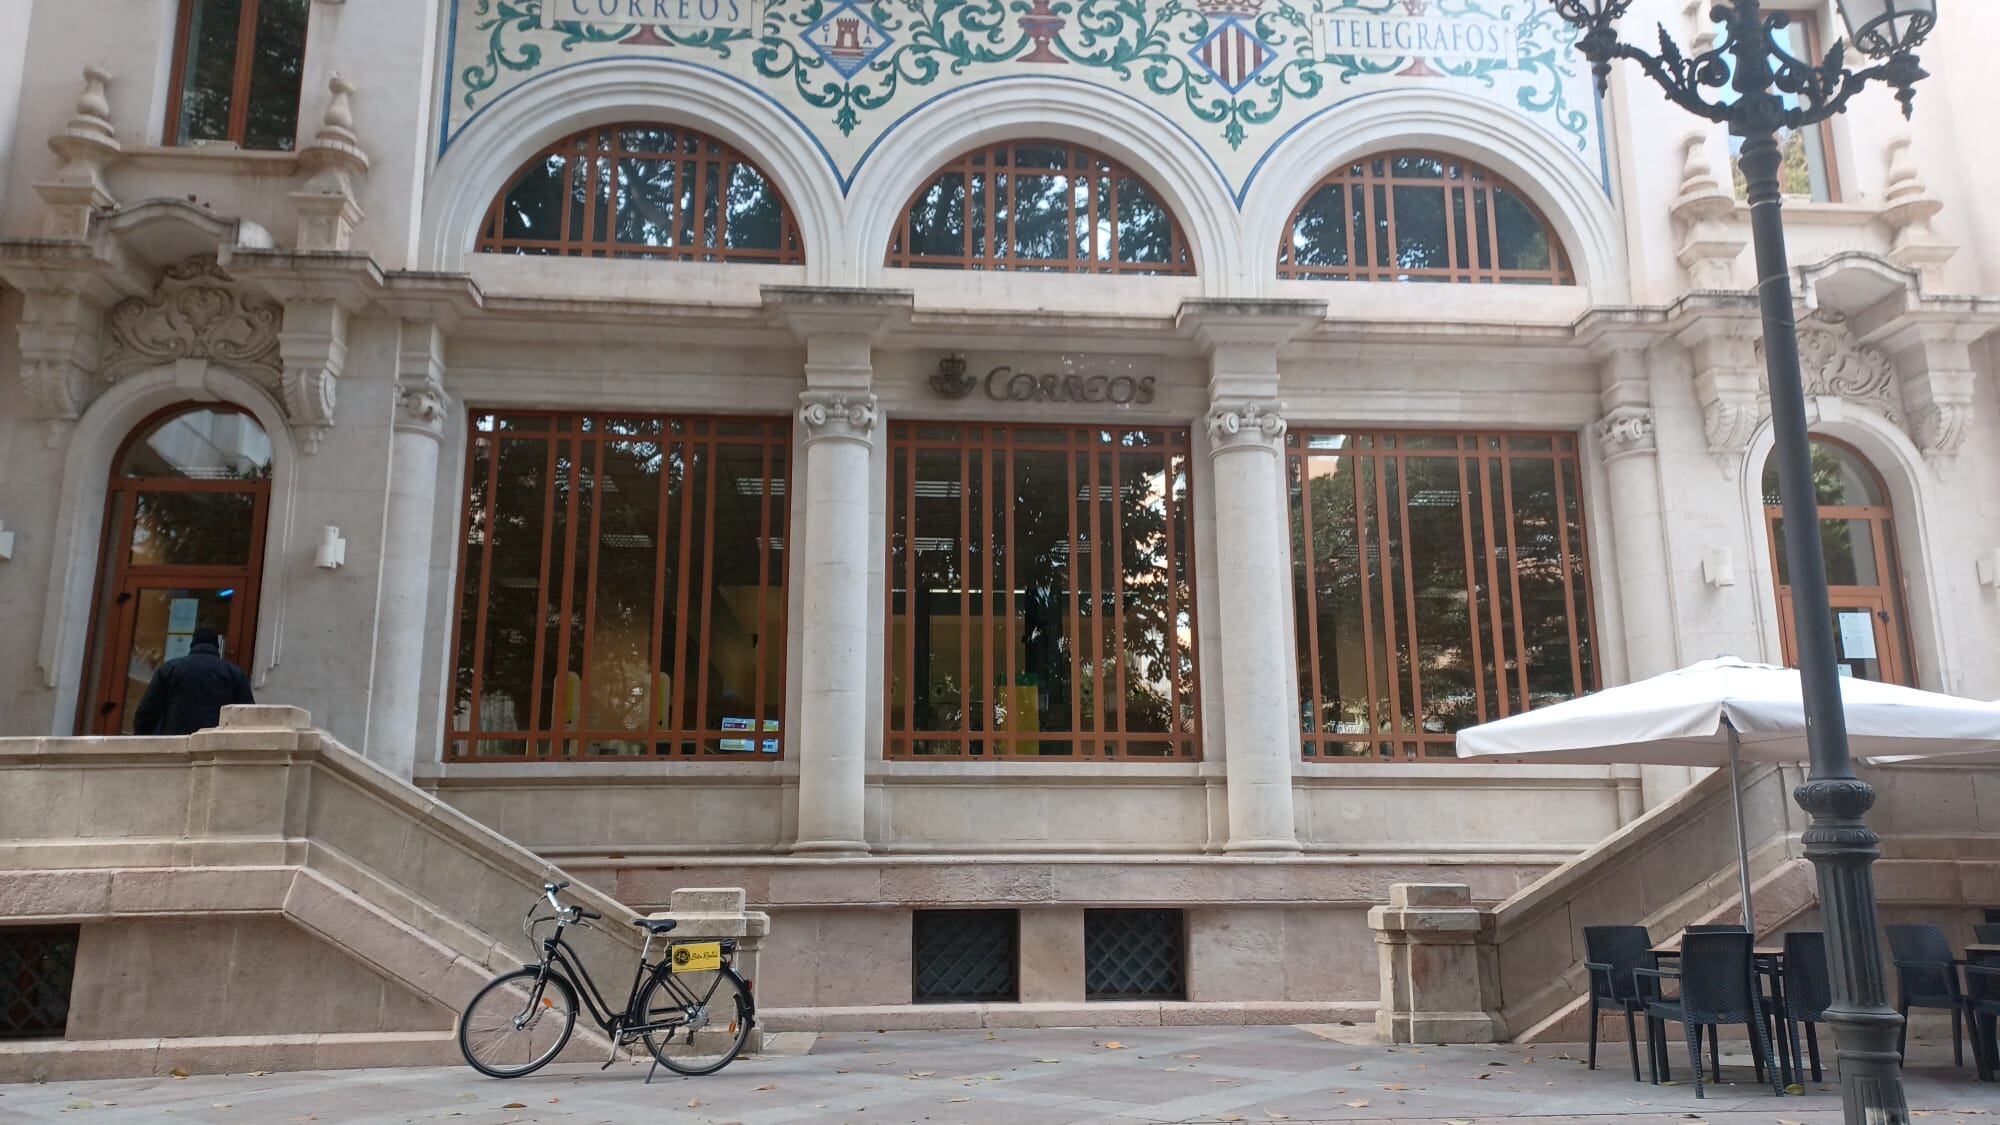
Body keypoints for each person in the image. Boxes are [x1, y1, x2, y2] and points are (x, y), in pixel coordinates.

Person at [131, 626, 255, 736]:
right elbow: (247, 714)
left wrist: (141, 735)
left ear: (192, 644)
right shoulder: (234, 673)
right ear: (217, 647)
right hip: (214, 742)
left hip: (175, 740)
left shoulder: (170, 669)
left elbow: (148, 710)